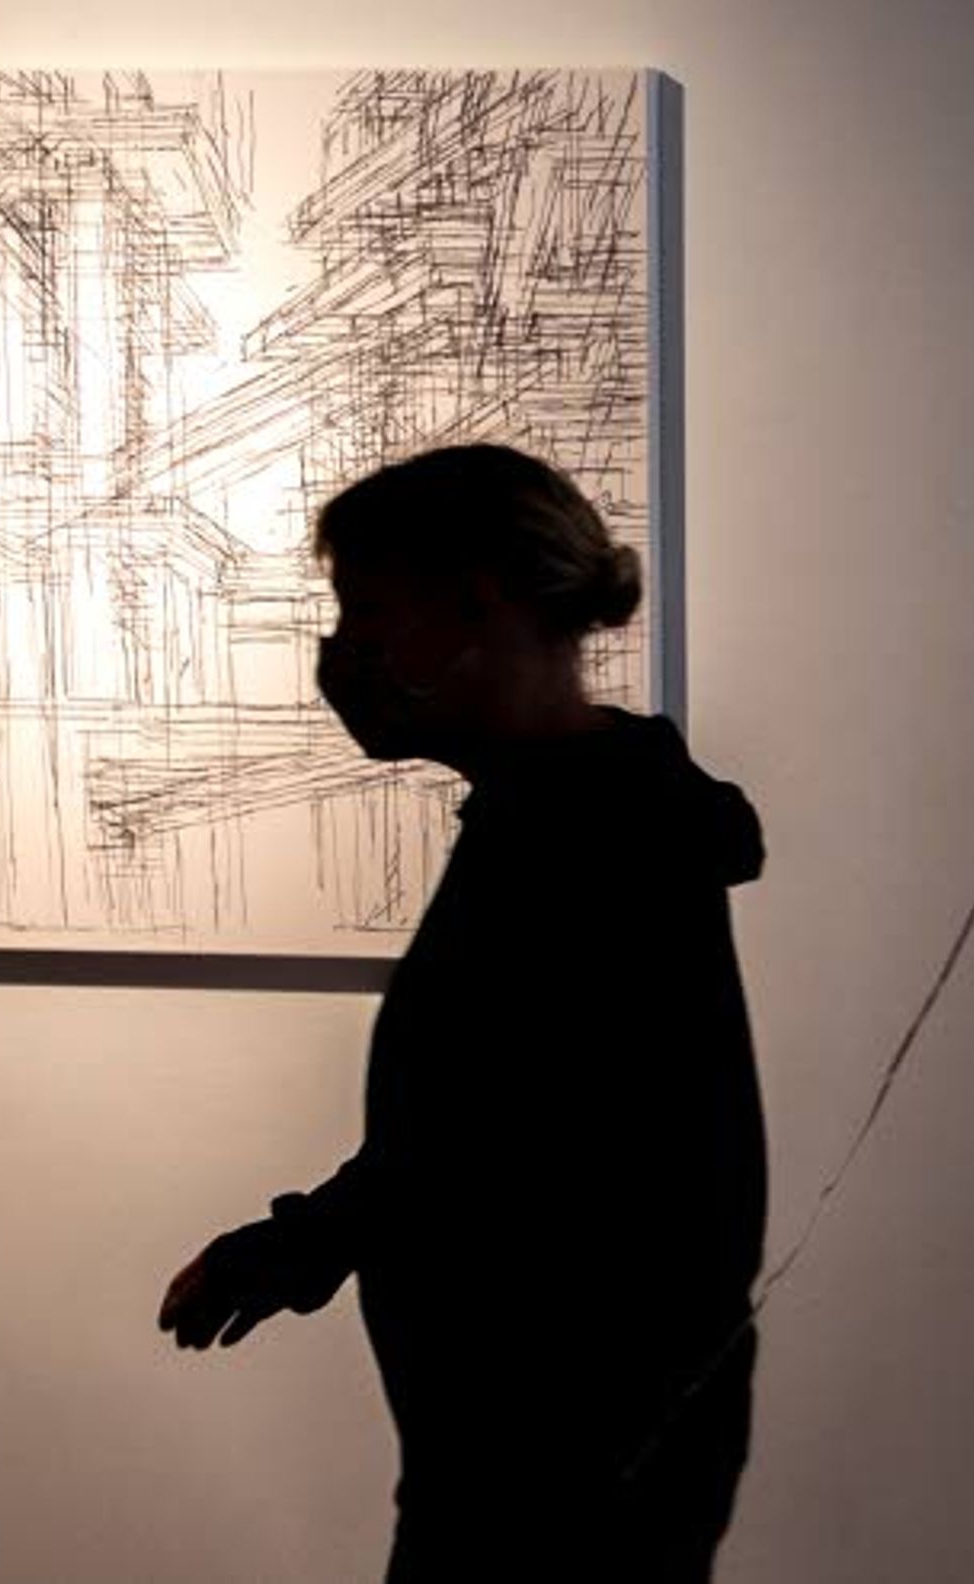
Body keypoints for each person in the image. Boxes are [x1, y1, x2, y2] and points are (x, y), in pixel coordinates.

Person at [157, 442, 768, 1580]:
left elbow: (528, 1158)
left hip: (560, 1474)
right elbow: (483, 1123)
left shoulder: (596, 844)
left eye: (367, 613)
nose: (343, 656)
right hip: (534, 1457)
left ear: (478, 604)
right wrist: (305, 1248)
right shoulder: (568, 817)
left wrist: (303, 1245)